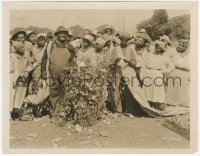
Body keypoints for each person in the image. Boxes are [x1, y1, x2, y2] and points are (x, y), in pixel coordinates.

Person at [41, 26, 76, 119]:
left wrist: (71, 70)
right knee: (54, 93)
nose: (63, 35)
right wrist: (43, 71)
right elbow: (44, 59)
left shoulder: (69, 45)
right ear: (57, 35)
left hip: (65, 73)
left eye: (64, 33)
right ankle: (54, 113)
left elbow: (74, 58)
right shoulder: (50, 45)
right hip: (52, 73)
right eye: (61, 33)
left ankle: (66, 113)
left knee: (66, 92)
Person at [142, 40, 175, 110]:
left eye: (159, 47)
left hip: (157, 75)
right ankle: (148, 106)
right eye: (156, 46)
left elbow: (172, 66)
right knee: (148, 91)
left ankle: (158, 105)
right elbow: (144, 65)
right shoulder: (149, 55)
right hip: (148, 74)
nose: (157, 48)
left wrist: (165, 71)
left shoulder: (164, 57)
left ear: (162, 49)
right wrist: (142, 75)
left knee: (157, 92)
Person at [10, 42, 36, 120]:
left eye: (23, 47)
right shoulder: (13, 56)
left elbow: (30, 64)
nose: (23, 49)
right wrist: (18, 74)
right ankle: (12, 112)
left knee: (21, 94)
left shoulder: (26, 55)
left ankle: (17, 112)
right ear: (16, 49)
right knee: (14, 94)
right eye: (20, 48)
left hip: (24, 77)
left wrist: (26, 72)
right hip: (15, 77)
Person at [165, 39, 190, 107]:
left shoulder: (190, 52)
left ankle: (183, 103)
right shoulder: (172, 51)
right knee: (172, 84)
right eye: (179, 44)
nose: (180, 46)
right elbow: (165, 60)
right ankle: (171, 102)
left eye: (182, 45)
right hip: (173, 71)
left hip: (186, 73)